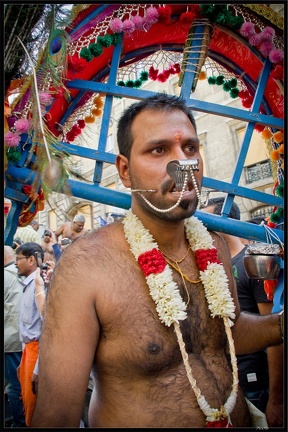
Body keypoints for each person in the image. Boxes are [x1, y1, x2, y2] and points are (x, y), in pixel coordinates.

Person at [31, 94, 284, 428]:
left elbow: (226, 332)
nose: (183, 165)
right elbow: (57, 416)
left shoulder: (214, 246)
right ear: (124, 170)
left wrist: (279, 324)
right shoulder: (85, 267)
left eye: (191, 149)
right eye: (159, 150)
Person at [201, 197, 283, 427]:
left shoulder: (253, 260)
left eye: (205, 221)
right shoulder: (214, 268)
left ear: (224, 222)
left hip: (257, 385)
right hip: (230, 387)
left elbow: (274, 331)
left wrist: (277, 399)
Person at [15, 242, 46, 427]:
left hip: (37, 354)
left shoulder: (40, 285)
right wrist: (22, 360)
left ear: (31, 260)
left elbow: (47, 330)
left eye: (18, 259)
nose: (15, 263)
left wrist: (37, 369)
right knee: (27, 402)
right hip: (28, 352)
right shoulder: (27, 284)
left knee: (35, 407)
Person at [4, 246, 26, 427]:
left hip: (10, 339)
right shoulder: (21, 274)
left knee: (14, 385)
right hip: (22, 338)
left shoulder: (6, 275)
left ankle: (19, 423)